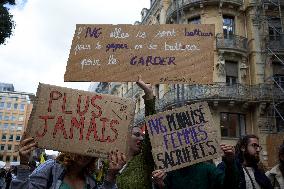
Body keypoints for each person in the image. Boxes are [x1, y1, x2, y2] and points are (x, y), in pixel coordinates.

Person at [11, 132, 126, 189]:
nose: (84, 153)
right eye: (81, 147)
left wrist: (111, 175)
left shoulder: (90, 180)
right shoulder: (50, 168)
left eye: (90, 149)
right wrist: (24, 164)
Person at [115, 76, 155, 189]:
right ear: (125, 136)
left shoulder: (144, 159)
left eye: (142, 135)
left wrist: (149, 95)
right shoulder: (112, 162)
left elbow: (152, 130)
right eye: (137, 134)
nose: (141, 138)